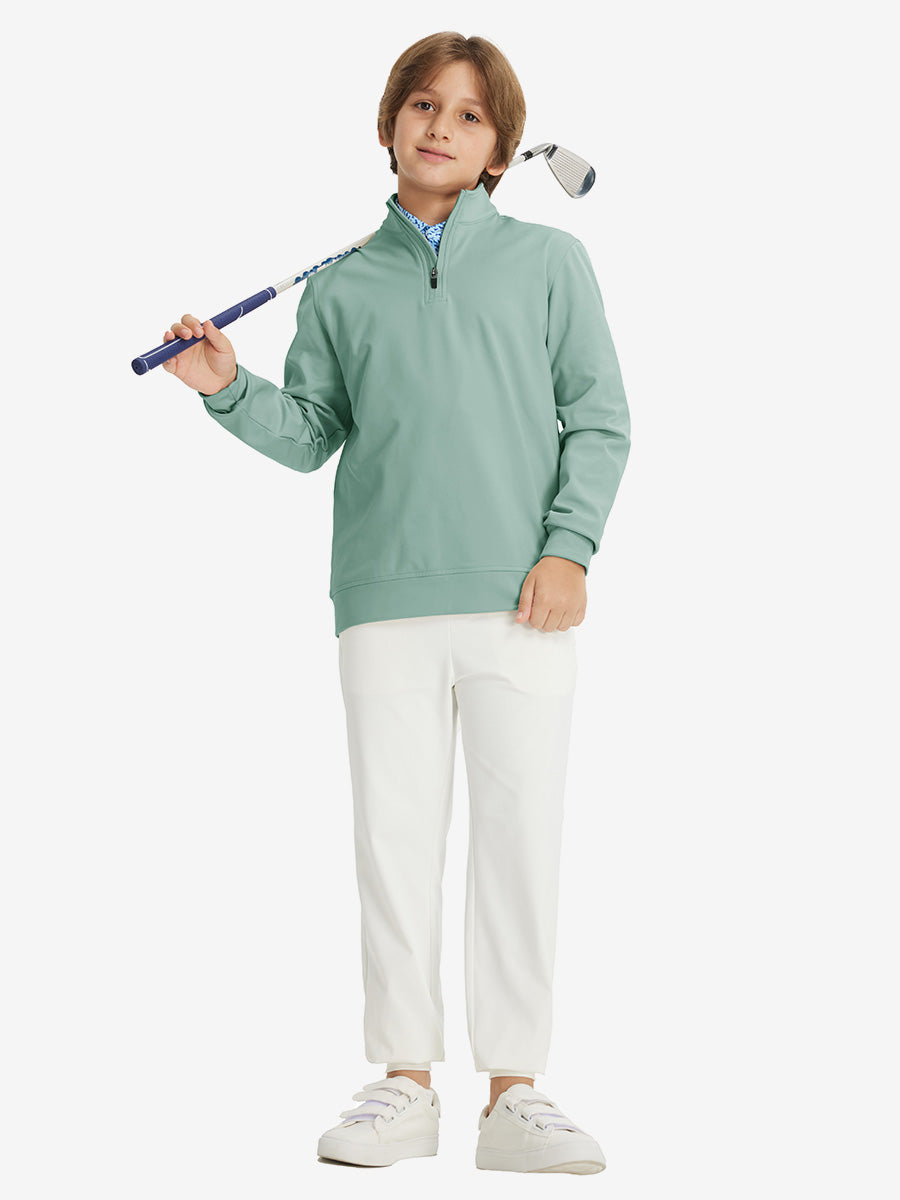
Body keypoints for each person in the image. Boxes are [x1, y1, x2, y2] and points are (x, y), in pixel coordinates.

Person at [160, 31, 630, 1175]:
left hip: (524, 603)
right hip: (381, 603)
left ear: (499, 151)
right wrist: (226, 388)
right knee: (395, 842)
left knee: (520, 842)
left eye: (469, 115)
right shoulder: (341, 284)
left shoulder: (550, 263)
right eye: (423, 105)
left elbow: (598, 417)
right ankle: (405, 1083)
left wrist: (569, 552)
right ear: (389, 124)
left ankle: (515, 1093)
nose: (441, 127)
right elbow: (312, 434)